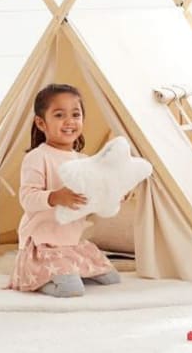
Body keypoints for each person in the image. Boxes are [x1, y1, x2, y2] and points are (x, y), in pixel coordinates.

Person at [8, 84, 120, 297]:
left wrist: (111, 194)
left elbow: (93, 196)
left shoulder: (84, 161)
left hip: (72, 242)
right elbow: (27, 198)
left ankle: (67, 271)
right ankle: (34, 279)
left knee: (112, 279)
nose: (70, 121)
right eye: (59, 115)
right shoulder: (37, 157)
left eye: (76, 114)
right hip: (44, 243)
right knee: (70, 289)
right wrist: (55, 197)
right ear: (41, 123)